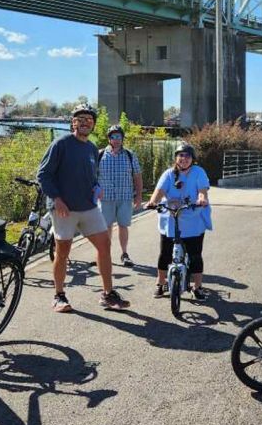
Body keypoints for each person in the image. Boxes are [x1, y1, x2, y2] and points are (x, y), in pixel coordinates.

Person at [37, 103, 131, 313]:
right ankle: (59, 296)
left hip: (88, 207)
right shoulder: (61, 144)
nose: (84, 123)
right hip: (64, 209)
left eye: (89, 120)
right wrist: (57, 199)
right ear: (73, 123)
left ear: (93, 124)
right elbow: (43, 174)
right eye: (80, 119)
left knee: (104, 246)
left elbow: (92, 175)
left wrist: (96, 186)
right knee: (62, 252)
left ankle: (108, 294)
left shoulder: (91, 148)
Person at [145, 143, 212, 299]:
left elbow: (202, 190)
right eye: (180, 155)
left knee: (195, 255)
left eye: (187, 156)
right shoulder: (169, 174)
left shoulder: (198, 172)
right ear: (176, 158)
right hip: (172, 217)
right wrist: (153, 202)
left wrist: (202, 199)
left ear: (192, 159)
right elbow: (159, 190)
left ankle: (197, 287)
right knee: (165, 254)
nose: (184, 159)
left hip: (193, 218)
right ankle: (160, 283)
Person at [97, 124, 143, 268]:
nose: (116, 140)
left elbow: (137, 176)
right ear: (109, 139)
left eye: (119, 137)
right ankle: (105, 254)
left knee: (123, 225)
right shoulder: (100, 155)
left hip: (125, 196)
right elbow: (92, 177)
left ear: (122, 138)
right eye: (113, 137)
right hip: (105, 198)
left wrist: (139, 196)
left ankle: (124, 254)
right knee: (106, 227)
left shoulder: (130, 155)